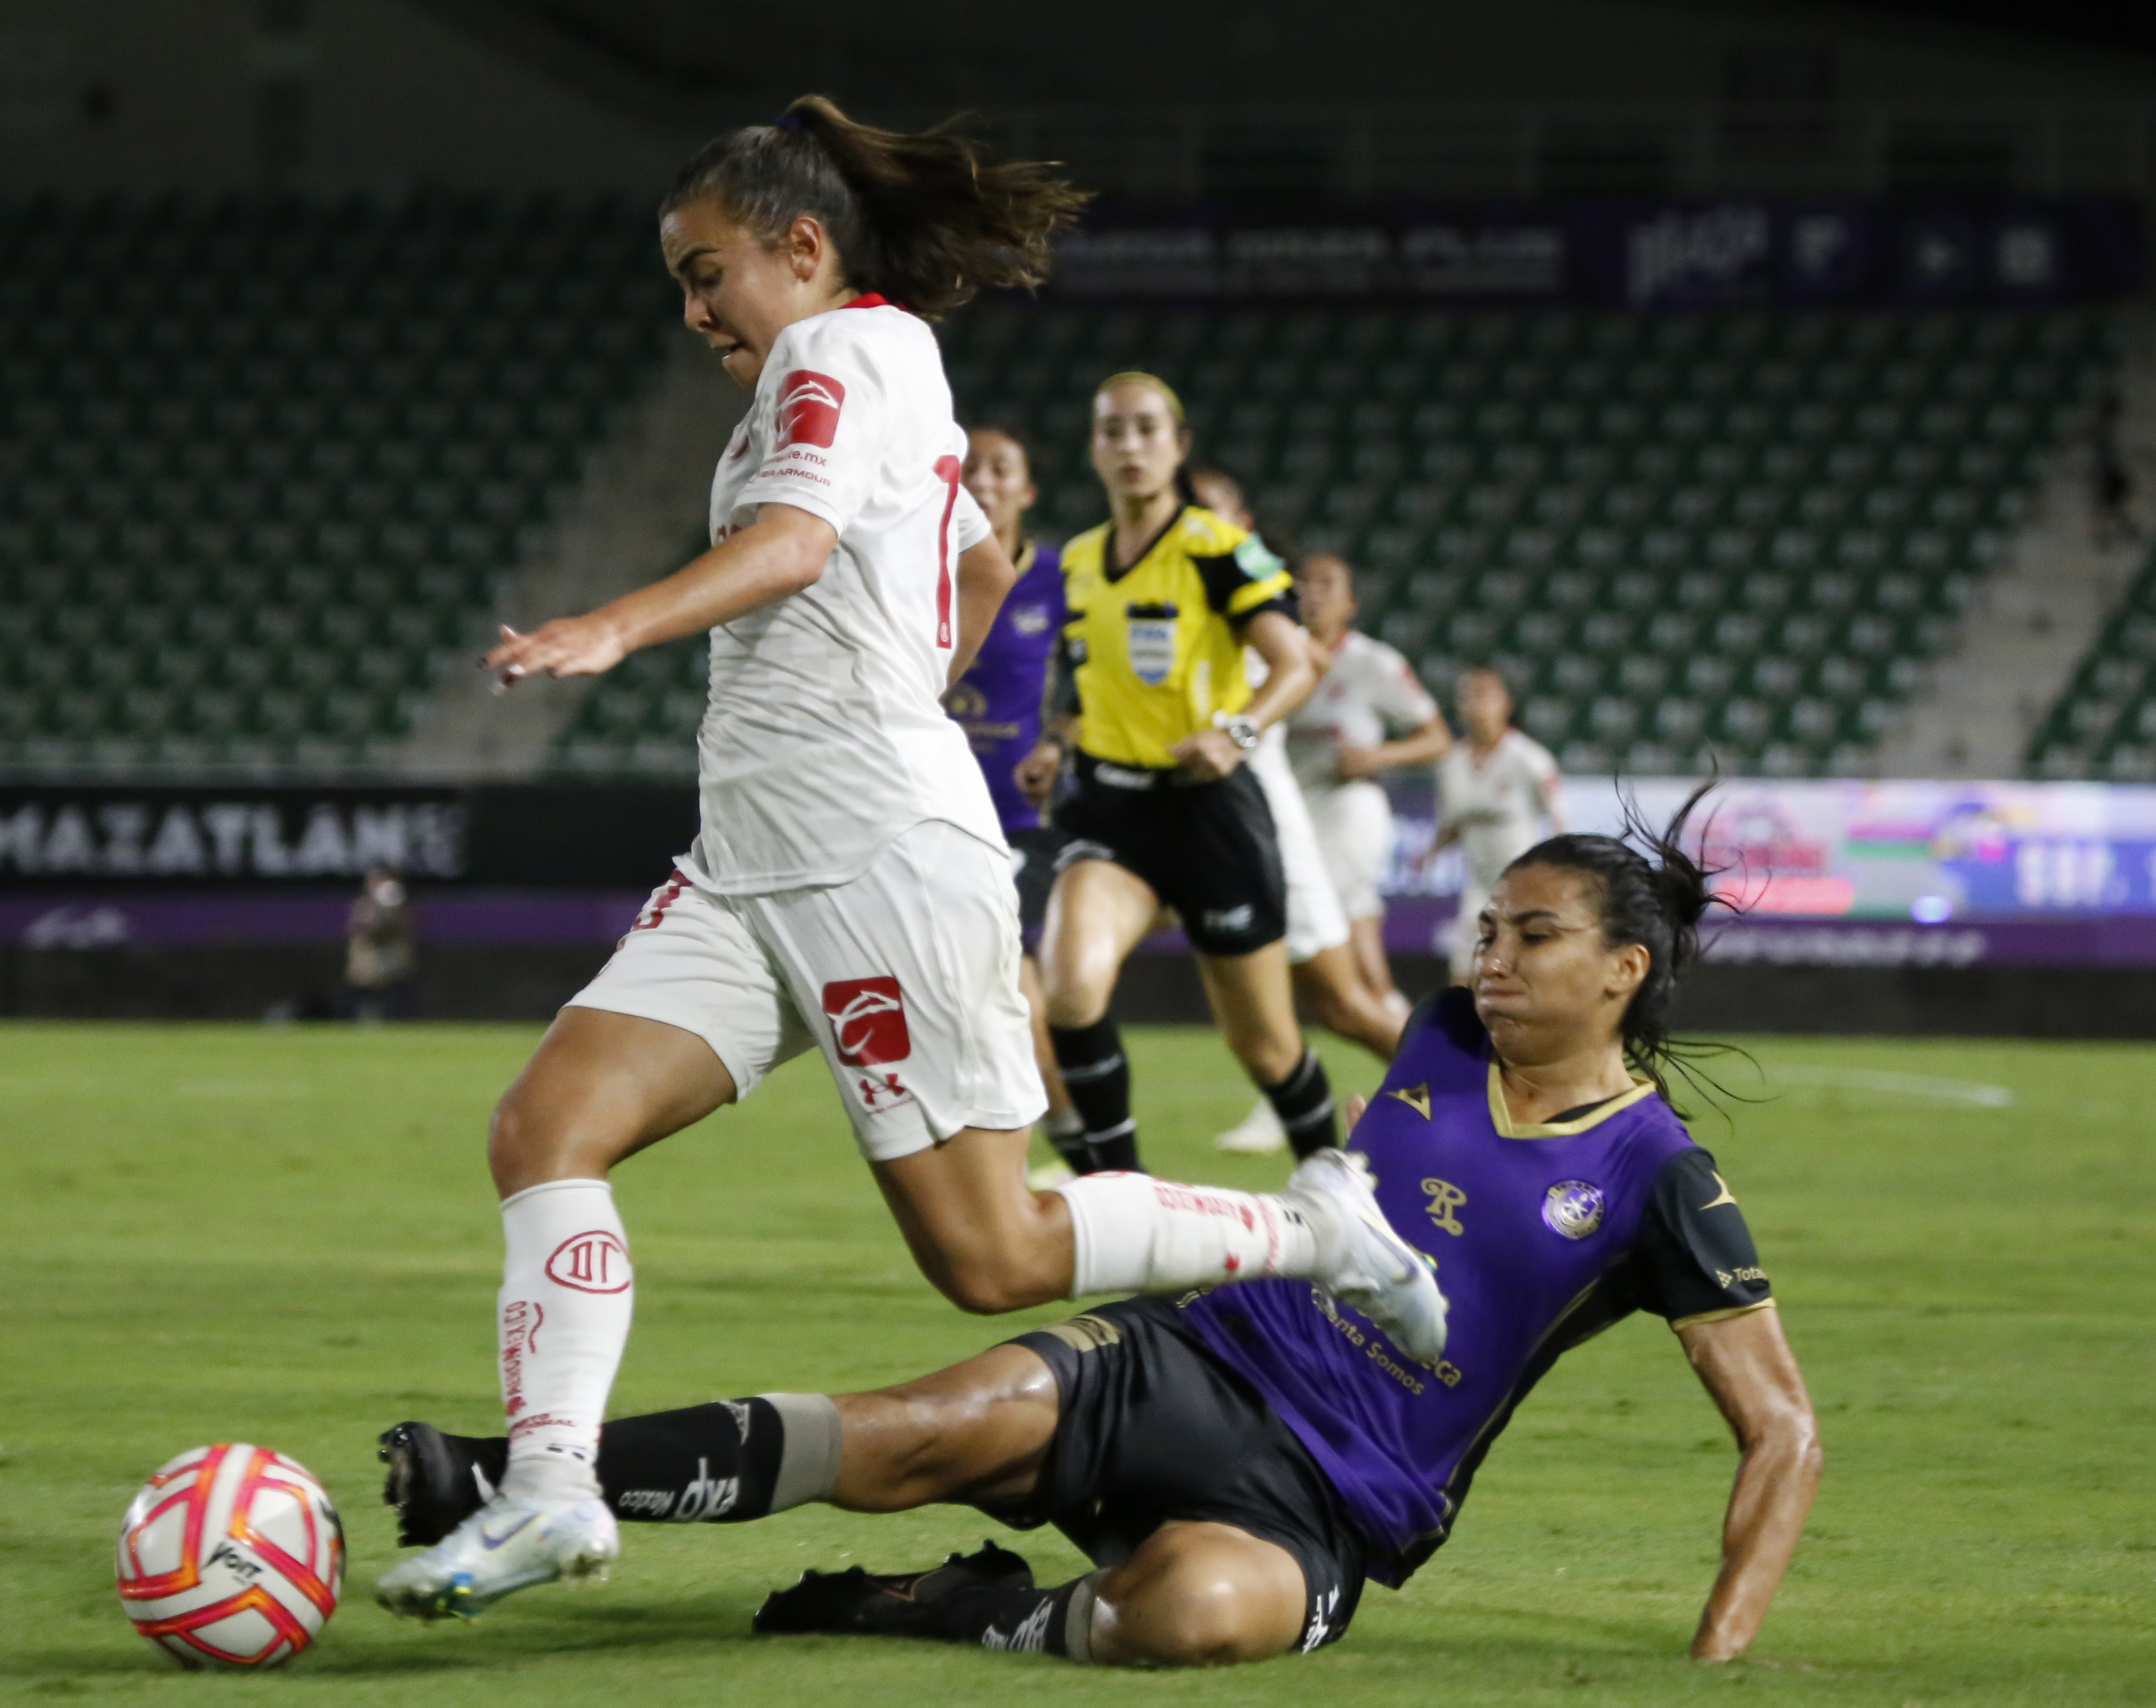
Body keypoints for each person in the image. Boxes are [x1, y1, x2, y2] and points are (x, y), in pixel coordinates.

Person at [374, 101, 1444, 1623]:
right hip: (749, 857)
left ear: (800, 246)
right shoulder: (859, 372)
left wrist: (613, 626)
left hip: (872, 849)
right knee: (544, 1125)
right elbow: (978, 563)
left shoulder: (839, 351)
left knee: (993, 1255)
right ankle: (551, 1491)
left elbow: (802, 547)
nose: (690, 311)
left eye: (705, 272)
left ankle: (1319, 1228)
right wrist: (909, 672)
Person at [376, 786, 1820, 1669]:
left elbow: (1782, 1430)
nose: (1488, 958)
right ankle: (498, 1476)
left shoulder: (1655, 1177)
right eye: (1489, 929)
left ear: (1624, 971)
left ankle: (956, 1609)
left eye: (1532, 938)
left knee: (1191, 1617)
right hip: (1189, 1357)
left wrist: (1714, 1653)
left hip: (1334, 1503)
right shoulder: (1435, 1031)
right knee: (914, 1429)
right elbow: (1256, 976)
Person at [1011, 379, 1350, 1173]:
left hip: (1210, 817)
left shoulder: (1217, 547)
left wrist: (1236, 732)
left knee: (1266, 1048)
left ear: (1177, 445)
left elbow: (1294, 663)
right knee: (1069, 989)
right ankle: (1123, 1203)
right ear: (1093, 448)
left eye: (1145, 429)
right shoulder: (1082, 562)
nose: (1129, 446)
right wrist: (1056, 745)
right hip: (1111, 815)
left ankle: (1339, 1198)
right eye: (1112, 431)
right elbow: (1082, 683)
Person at [1178, 469, 1427, 1157]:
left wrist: (1240, 729)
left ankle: (1480, 1090)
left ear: (1242, 523)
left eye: (1211, 510)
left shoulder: (1247, 577)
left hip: (1265, 817)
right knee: (1260, 1016)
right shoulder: (1148, 580)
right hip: (1179, 819)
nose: (1191, 518)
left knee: (1343, 1002)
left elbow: (1308, 659)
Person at [943, 423, 1083, 1173]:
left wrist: (1059, 741)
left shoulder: (1058, 580)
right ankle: (1062, 1144)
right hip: (932, 813)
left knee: (1016, 986)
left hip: (1022, 821)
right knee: (971, 994)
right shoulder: (919, 569)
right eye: (970, 468)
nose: (984, 480)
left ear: (1027, 490)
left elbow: (1094, 683)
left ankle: (1073, 1146)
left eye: (1001, 469)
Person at [1287, 549, 1452, 1016]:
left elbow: (1436, 738)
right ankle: (1409, 1051)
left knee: (1298, 935)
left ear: (1350, 605)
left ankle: (1289, 1076)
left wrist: (1378, 756)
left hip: (1347, 813)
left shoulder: (1372, 663)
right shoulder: (1272, 655)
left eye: (1326, 584)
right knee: (1365, 967)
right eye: (1302, 583)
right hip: (1292, 814)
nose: (1312, 594)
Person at [1429, 666, 1561, 985]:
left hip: (1523, 884)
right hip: (1479, 884)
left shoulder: (1528, 758)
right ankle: (1465, 1035)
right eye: (1468, 696)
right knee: (1464, 973)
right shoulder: (1452, 763)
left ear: (1506, 703)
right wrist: (1431, 851)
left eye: (1485, 695)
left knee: (1525, 969)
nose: (1476, 704)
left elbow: (1557, 819)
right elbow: (1453, 823)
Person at [343, 868, 418, 1023]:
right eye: (373, 882)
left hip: (393, 964)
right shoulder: (363, 906)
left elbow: (406, 928)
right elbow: (355, 930)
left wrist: (391, 912)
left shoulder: (398, 905)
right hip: (367, 965)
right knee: (362, 999)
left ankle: (400, 1023)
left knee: (399, 997)